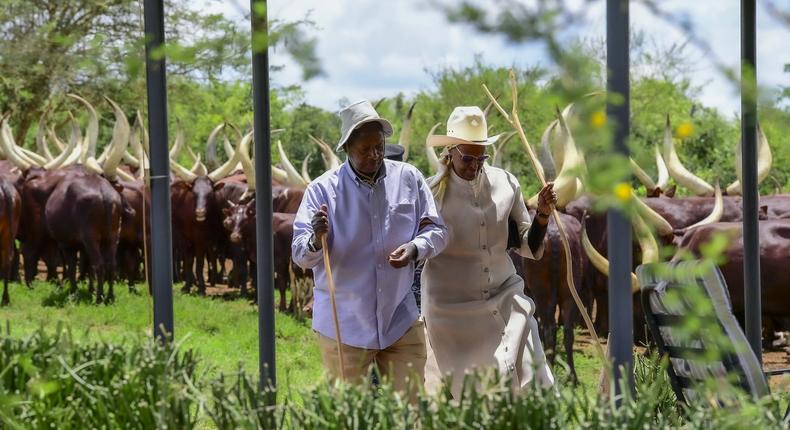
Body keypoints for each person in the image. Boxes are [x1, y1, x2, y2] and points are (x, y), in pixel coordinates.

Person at [292, 100, 448, 396]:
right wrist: (316, 238)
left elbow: (437, 230)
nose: (375, 155)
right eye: (365, 150)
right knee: (352, 414)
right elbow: (300, 254)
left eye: (379, 146)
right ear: (347, 148)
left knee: (409, 408)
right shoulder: (322, 190)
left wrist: (416, 248)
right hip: (344, 323)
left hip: (400, 318)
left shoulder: (409, 178)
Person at [421, 105, 558, 398]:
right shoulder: (429, 194)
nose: (474, 166)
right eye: (467, 158)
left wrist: (543, 216)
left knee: (532, 375)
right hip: (451, 312)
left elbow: (528, 247)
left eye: (480, 158)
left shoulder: (507, 184)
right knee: (472, 394)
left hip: (505, 296)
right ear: (450, 153)